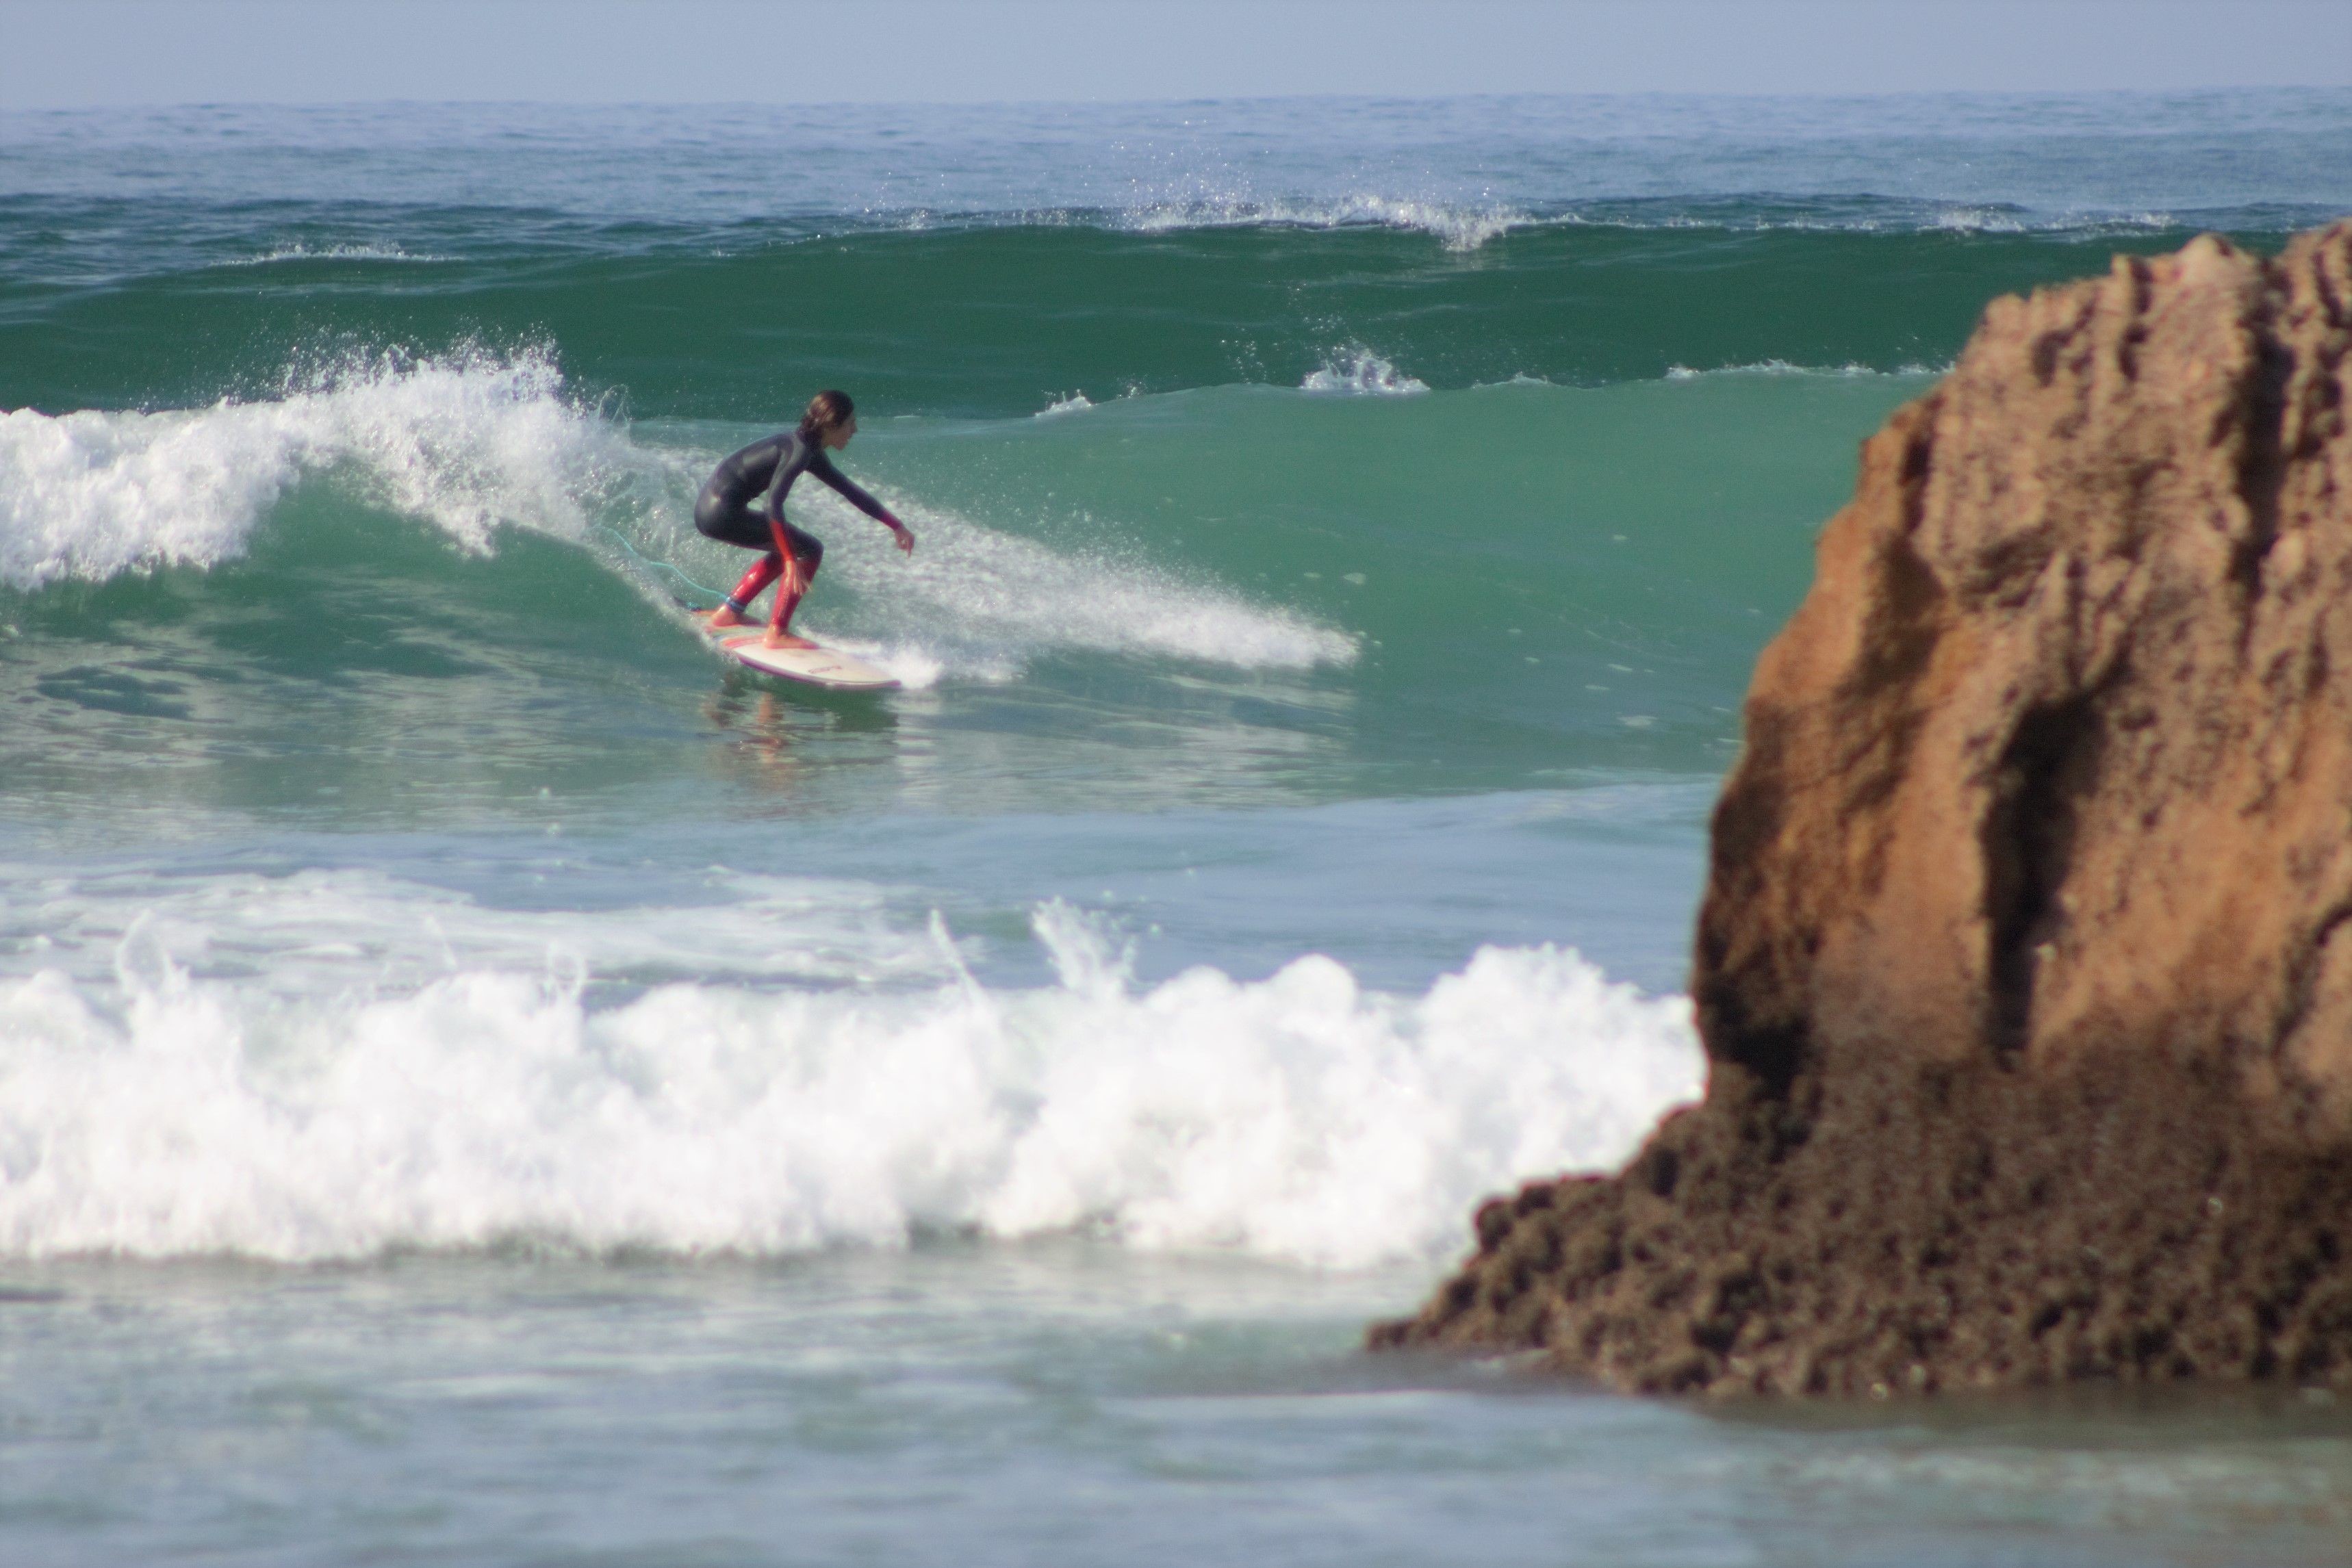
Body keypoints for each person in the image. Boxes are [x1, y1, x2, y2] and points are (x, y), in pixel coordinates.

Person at [695, 389, 915, 649]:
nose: (855, 430)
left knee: (788, 545)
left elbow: (850, 491)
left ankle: (729, 613)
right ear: (832, 425)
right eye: (851, 423)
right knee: (808, 550)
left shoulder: (805, 447)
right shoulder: (799, 453)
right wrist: (790, 560)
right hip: (722, 514)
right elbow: (772, 504)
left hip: (711, 509)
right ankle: (777, 633)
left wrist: (896, 525)